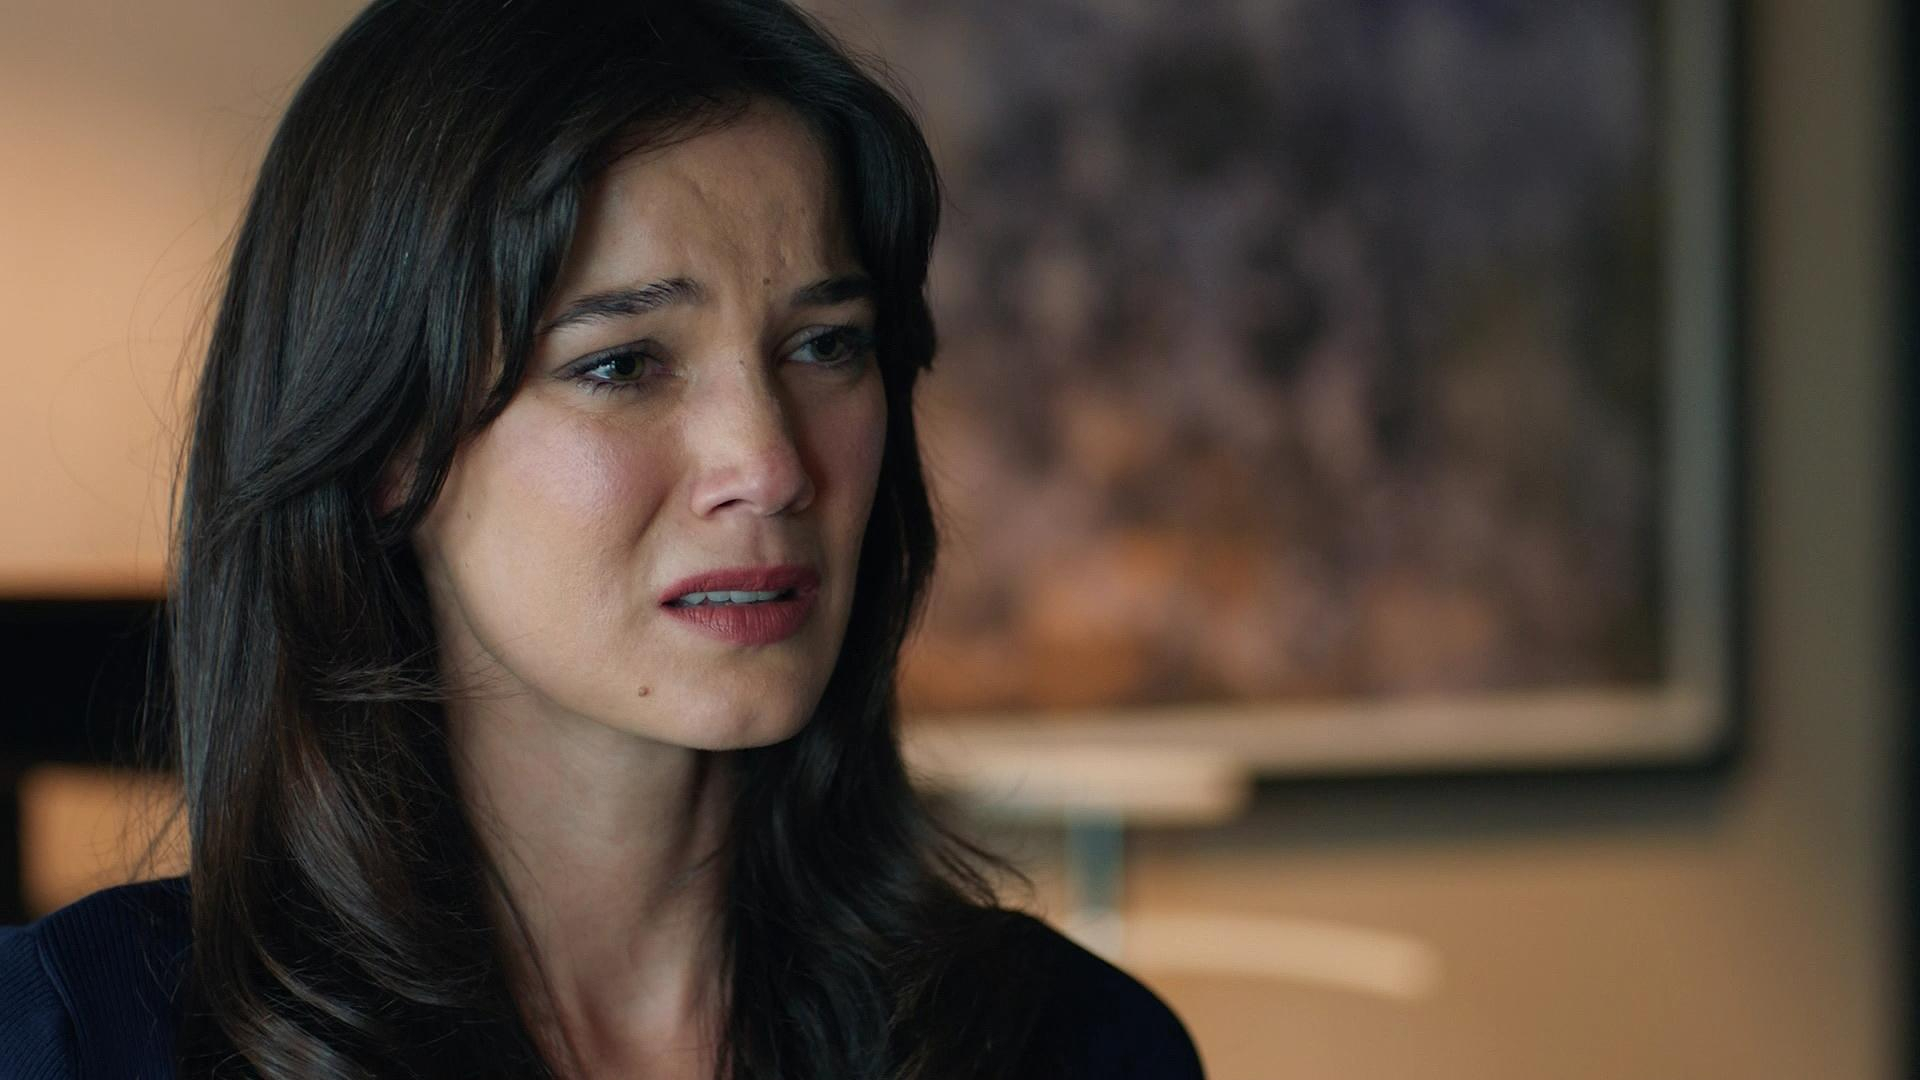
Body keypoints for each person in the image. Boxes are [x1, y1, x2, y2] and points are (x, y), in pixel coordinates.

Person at [0, 1, 1205, 1077]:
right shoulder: (78, 1041)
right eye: (623, 365)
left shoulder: (1077, 1046)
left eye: (826, 345)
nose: (771, 465)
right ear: (385, 447)